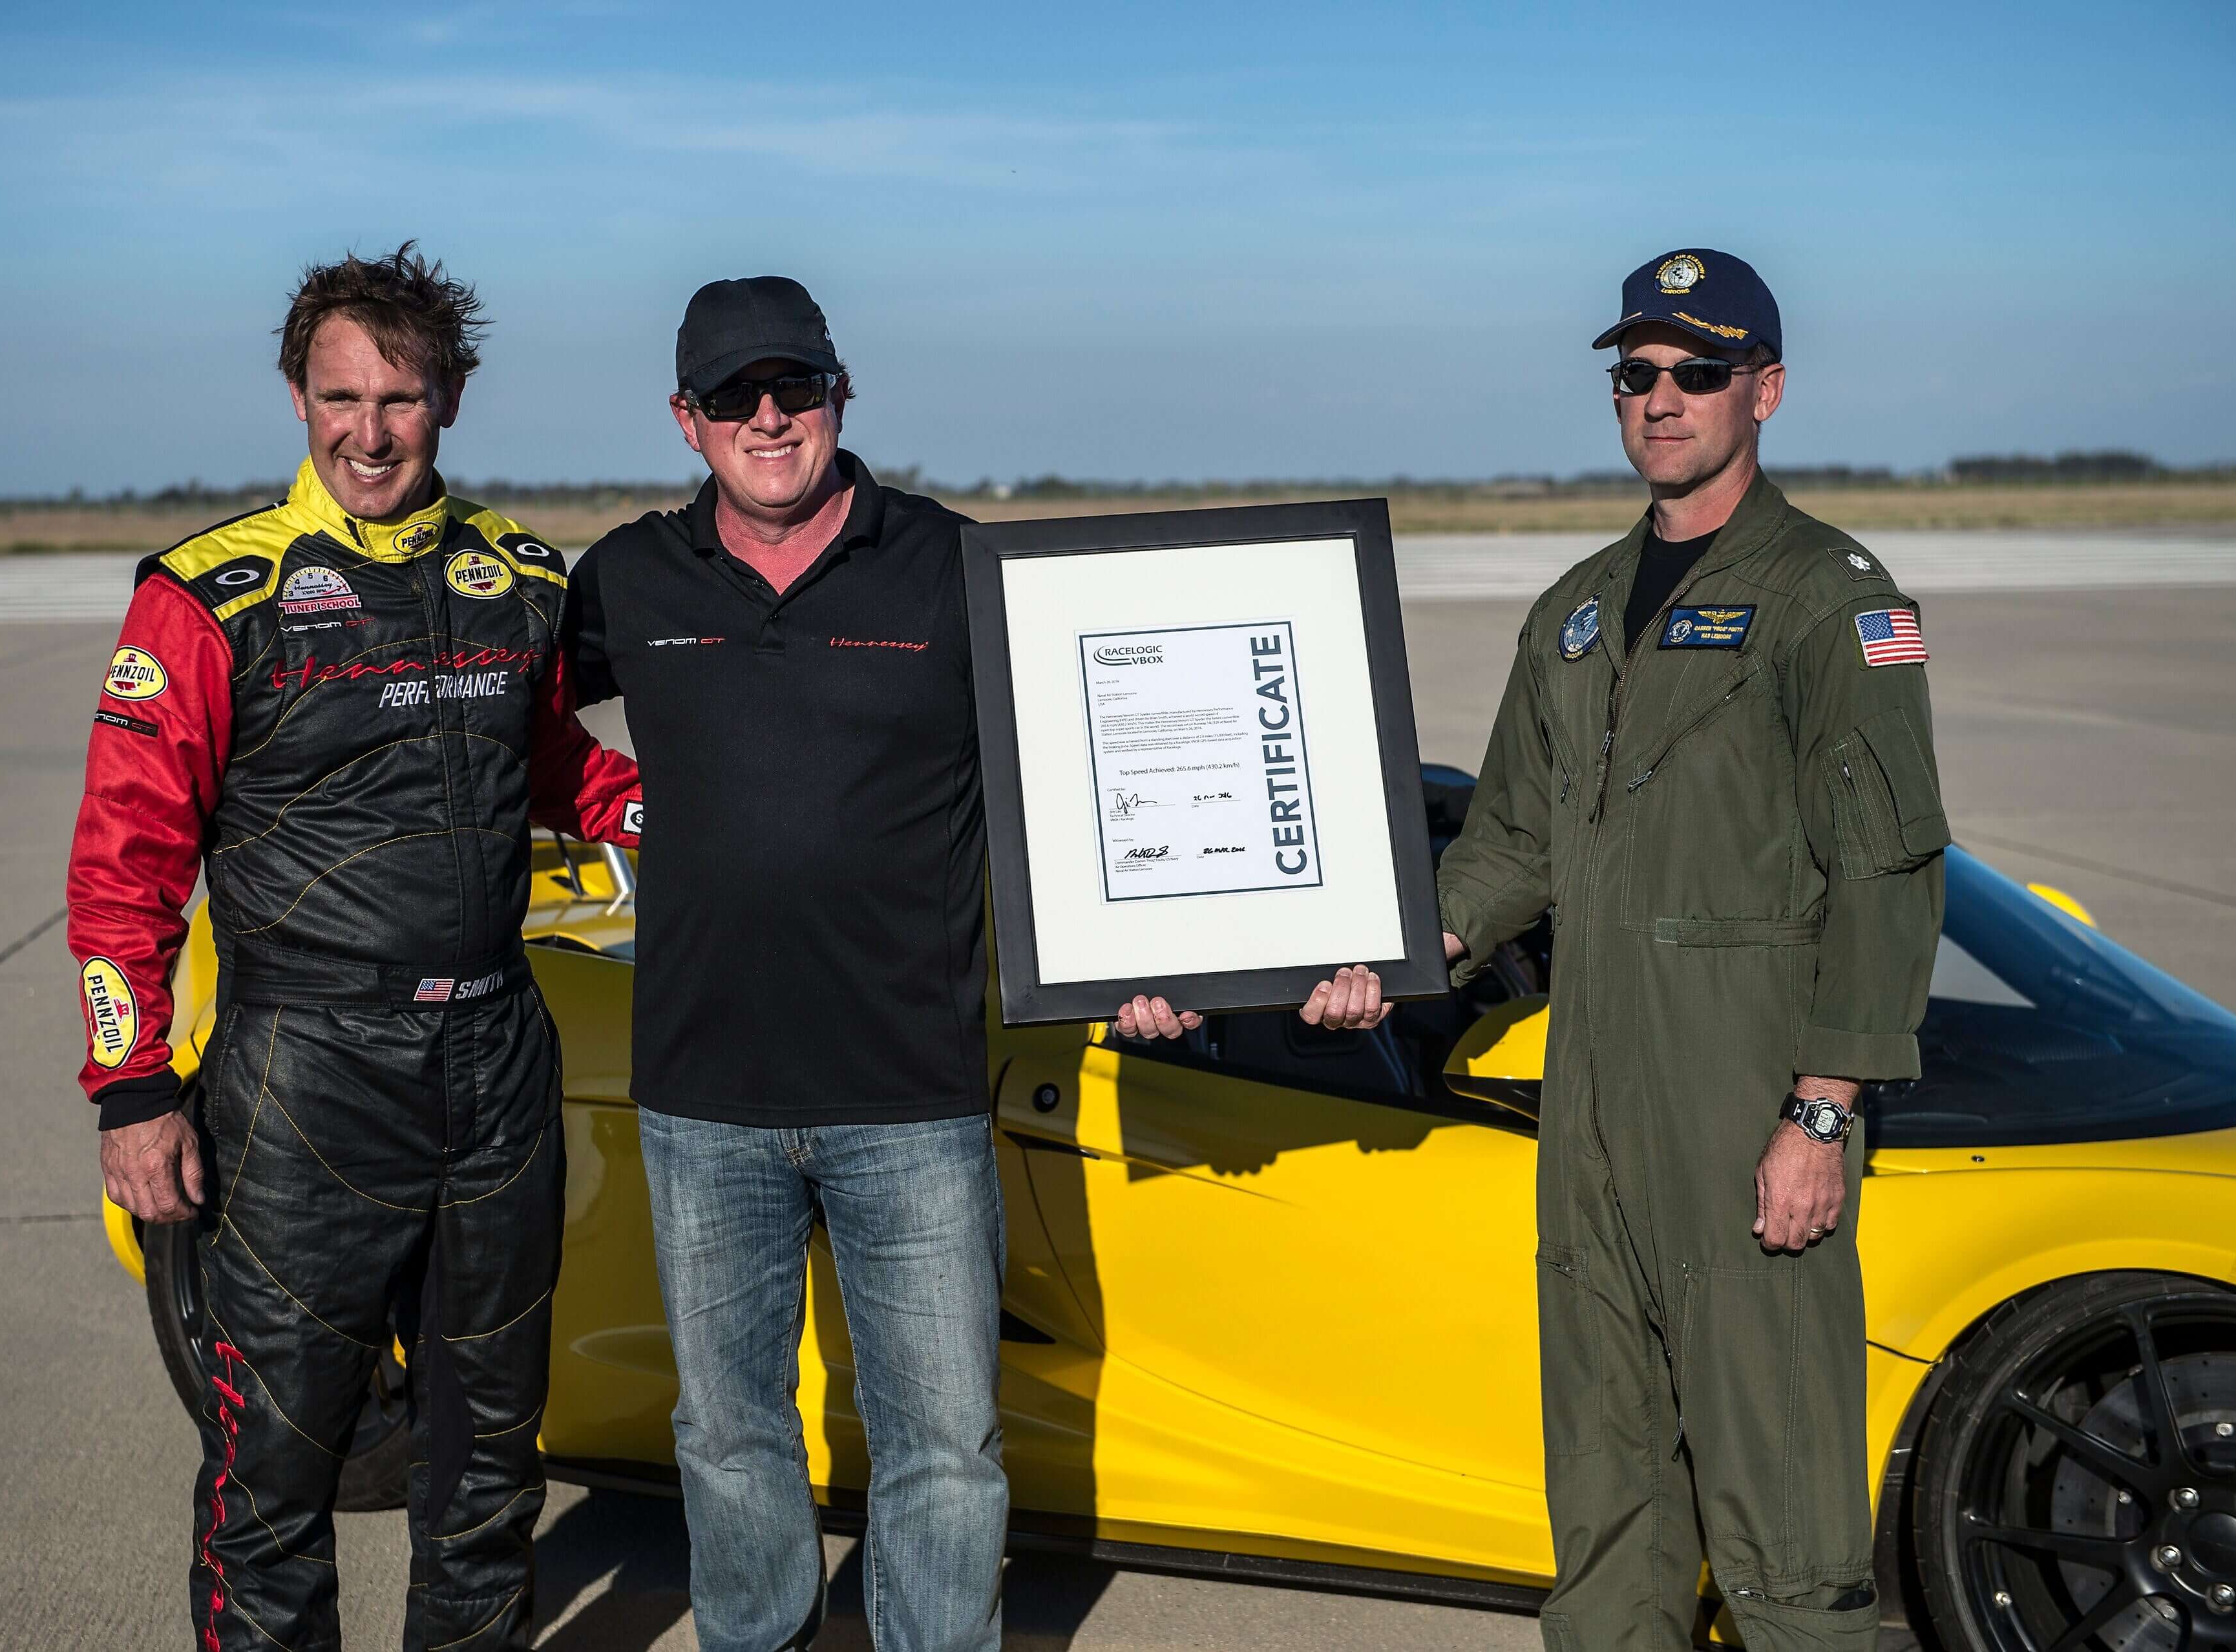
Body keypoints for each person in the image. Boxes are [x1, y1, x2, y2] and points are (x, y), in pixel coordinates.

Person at [563, 275, 1387, 1652]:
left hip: (913, 1096)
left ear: (840, 396)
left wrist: (1166, 947)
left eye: (793, 388)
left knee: (944, 1447)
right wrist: (623, 806)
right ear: (684, 418)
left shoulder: (956, 566)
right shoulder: (629, 577)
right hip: (704, 1098)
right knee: (727, 1434)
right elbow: (502, 720)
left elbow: (1103, 756)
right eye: (732, 397)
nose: (768, 419)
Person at [67, 242, 641, 1652]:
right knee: (272, 1475)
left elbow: (553, 765)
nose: (369, 433)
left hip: (495, 1061)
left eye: (400, 398)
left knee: (491, 1466)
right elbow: (124, 866)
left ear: (451, 397)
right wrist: (132, 1092)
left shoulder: (518, 573)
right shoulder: (210, 595)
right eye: (342, 398)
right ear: (296, 398)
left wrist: (701, 812)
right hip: (305, 1077)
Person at [1433, 249, 1946, 1652]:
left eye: (1698, 372)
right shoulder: (1578, 608)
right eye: (1638, 374)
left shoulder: (1831, 598)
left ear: (1763, 392)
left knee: (1786, 1536)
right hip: (1591, 1113)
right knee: (1607, 1529)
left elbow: (1889, 873)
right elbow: (1511, 841)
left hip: (1744, 1111)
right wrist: (1410, 943)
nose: (1662, 399)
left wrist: (1822, 1111)